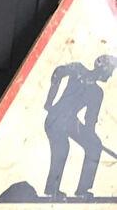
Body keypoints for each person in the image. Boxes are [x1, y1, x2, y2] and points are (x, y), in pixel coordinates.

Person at [43, 54, 116, 199]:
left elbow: (90, 120)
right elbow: (58, 72)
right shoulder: (78, 70)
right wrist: (49, 101)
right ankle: (52, 189)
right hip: (55, 119)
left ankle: (83, 190)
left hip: (70, 122)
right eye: (111, 70)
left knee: (94, 146)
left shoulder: (97, 93)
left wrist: (91, 138)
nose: (111, 75)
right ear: (104, 68)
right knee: (63, 148)